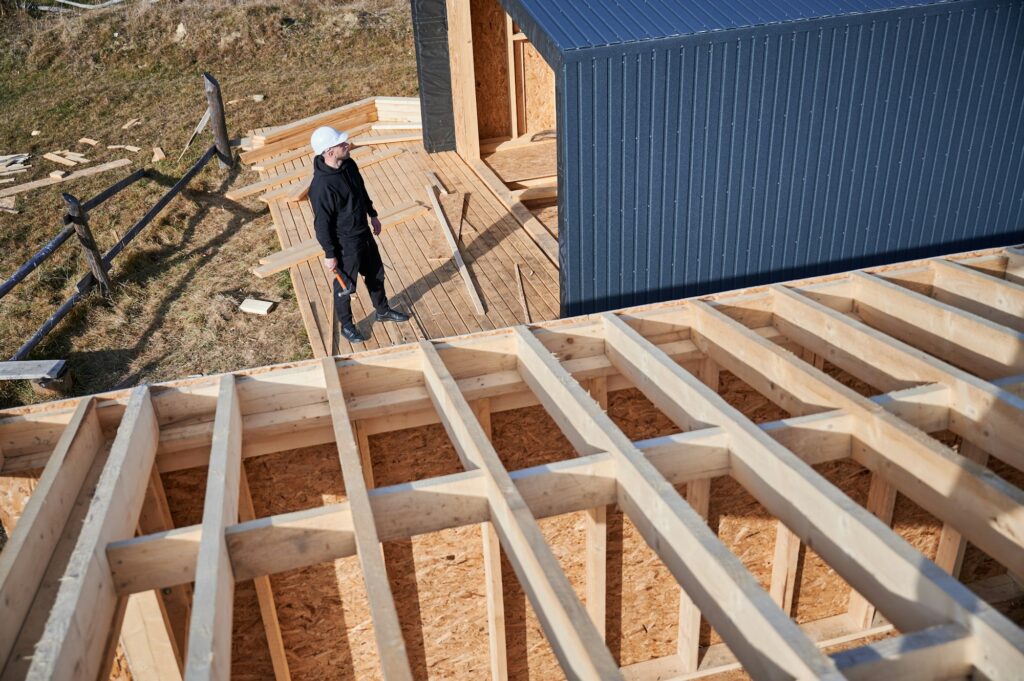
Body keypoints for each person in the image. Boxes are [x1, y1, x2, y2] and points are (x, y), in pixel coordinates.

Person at [308, 126, 409, 343]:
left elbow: (361, 190)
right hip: (345, 244)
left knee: (376, 275)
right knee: (345, 288)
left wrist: (372, 214)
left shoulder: (349, 165)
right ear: (329, 151)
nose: (347, 144)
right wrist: (330, 254)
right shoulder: (321, 187)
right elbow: (321, 225)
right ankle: (347, 326)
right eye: (341, 143)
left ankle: (382, 311)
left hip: (363, 233)